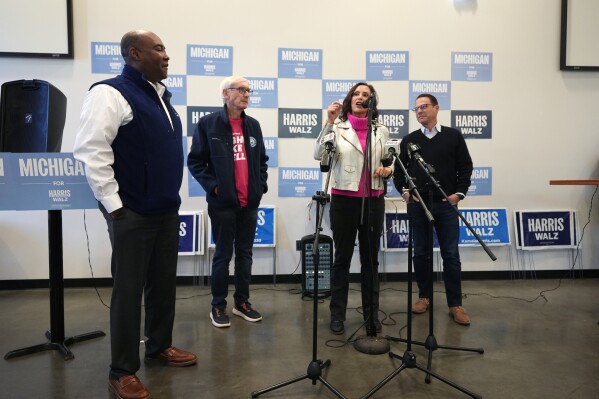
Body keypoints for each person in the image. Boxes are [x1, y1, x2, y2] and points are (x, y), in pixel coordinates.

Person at [73, 30, 197, 399]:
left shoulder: (159, 97)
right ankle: (121, 370)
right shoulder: (109, 93)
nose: (167, 55)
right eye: (159, 48)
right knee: (128, 292)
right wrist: (116, 208)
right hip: (132, 214)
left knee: (163, 285)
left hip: (163, 210)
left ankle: (159, 347)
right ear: (134, 53)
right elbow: (91, 151)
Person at [187, 76, 269, 329]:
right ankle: (218, 305)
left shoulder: (253, 125)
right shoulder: (208, 124)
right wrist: (215, 187)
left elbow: (262, 161)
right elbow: (196, 162)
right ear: (225, 93)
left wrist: (260, 186)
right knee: (223, 254)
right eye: (240, 90)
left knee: (245, 254)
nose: (246, 94)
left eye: (248, 90)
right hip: (222, 204)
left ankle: (241, 303)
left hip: (249, 203)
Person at [313, 82, 393, 335]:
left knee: (370, 262)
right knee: (342, 260)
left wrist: (388, 169)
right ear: (350, 99)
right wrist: (328, 121)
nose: (361, 97)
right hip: (344, 200)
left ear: (372, 102)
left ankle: (371, 315)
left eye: (366, 95)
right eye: (357, 94)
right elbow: (318, 154)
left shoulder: (380, 129)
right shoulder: (337, 126)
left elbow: (388, 159)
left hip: (373, 199)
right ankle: (337, 315)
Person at [393, 93, 473, 326]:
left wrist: (458, 194)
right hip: (419, 206)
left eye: (424, 106)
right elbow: (399, 173)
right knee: (420, 254)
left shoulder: (453, 136)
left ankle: (455, 305)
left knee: (451, 255)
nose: (419, 111)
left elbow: (465, 167)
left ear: (437, 108)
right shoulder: (409, 140)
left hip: (447, 206)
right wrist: (406, 192)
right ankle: (424, 297)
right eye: (416, 108)